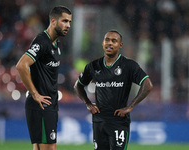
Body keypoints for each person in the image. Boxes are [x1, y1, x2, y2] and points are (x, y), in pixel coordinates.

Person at [74, 30, 153, 150]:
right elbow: (78, 86)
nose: (109, 43)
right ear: (102, 43)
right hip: (99, 121)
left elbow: (148, 85)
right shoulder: (93, 66)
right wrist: (88, 103)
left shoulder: (129, 65)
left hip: (118, 121)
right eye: (107, 40)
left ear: (120, 45)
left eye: (114, 41)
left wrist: (130, 106)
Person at [16, 6, 72, 150]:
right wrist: (35, 94)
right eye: (64, 21)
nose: (68, 25)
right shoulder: (42, 42)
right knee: (49, 148)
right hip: (41, 105)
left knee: (40, 148)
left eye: (69, 22)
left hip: (50, 104)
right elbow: (22, 65)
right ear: (53, 21)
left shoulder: (56, 44)